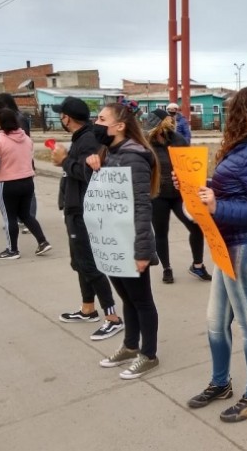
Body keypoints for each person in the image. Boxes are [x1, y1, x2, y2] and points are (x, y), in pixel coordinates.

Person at [183, 87, 247, 422]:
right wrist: (200, 183)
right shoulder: (246, 149)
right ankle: (220, 383)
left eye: (230, 111)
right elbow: (234, 187)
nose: (227, 116)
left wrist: (215, 204)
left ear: (241, 114)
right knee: (216, 322)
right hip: (228, 245)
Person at [91, 101, 161, 380]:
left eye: (101, 118)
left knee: (141, 300)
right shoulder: (109, 152)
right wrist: (92, 166)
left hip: (130, 242)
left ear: (119, 126)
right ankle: (131, 346)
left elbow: (142, 206)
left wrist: (142, 250)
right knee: (127, 298)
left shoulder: (133, 157)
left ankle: (149, 354)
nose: (96, 123)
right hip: (112, 241)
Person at [49, 97, 123, 340]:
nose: (61, 118)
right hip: (74, 208)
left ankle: (112, 317)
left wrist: (63, 161)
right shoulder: (82, 138)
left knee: (89, 264)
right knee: (79, 262)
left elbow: (89, 173)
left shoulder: (88, 139)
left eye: (61, 114)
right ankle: (88, 308)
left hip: (84, 211)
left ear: (67, 118)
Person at [0, 109, 51, 260]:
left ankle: (12, 250)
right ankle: (43, 242)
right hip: (27, 182)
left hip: (7, 184)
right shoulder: (26, 139)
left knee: (9, 217)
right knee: (26, 215)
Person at [145, 108, 211, 284]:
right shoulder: (145, 144)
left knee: (196, 227)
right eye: (168, 119)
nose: (172, 122)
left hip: (179, 194)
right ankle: (166, 268)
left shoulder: (178, 140)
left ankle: (197, 266)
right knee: (161, 232)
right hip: (157, 195)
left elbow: (190, 165)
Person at [0, 92, 35, 233]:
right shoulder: (15, 117)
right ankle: (20, 219)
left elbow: (23, 139)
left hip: (19, 160)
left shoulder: (17, 119)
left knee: (26, 195)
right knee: (22, 193)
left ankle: (27, 219)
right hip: (16, 160)